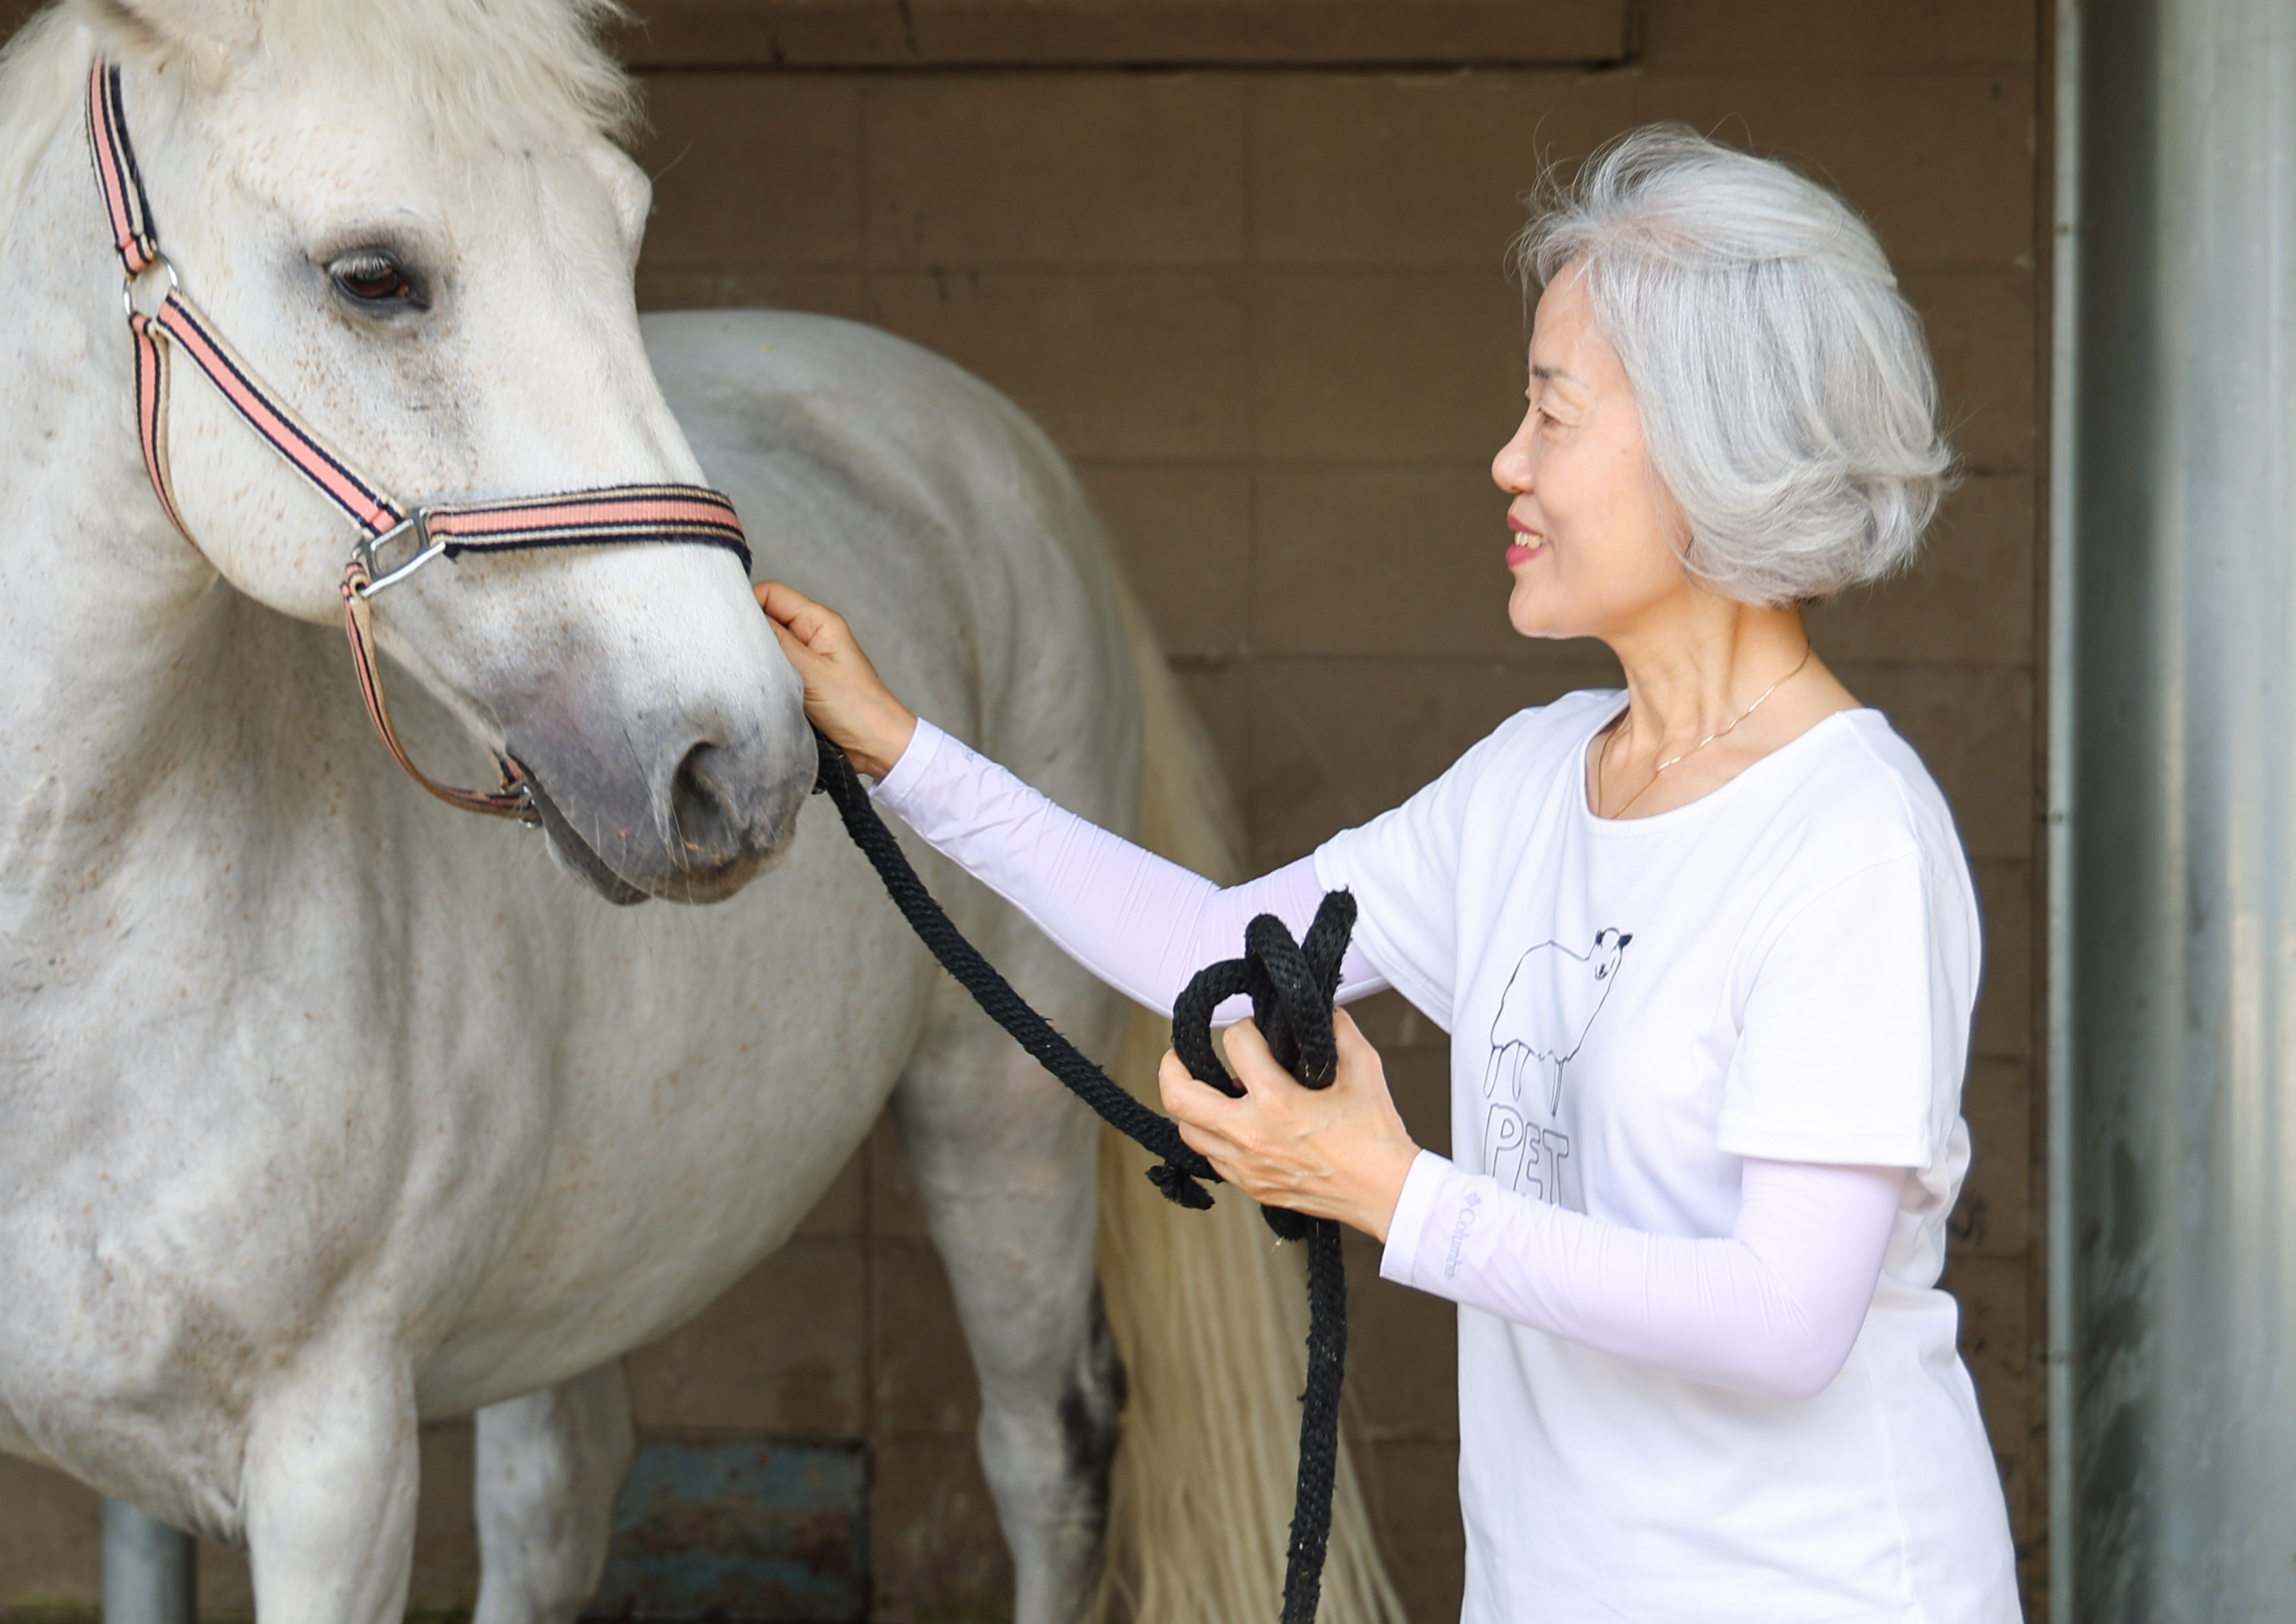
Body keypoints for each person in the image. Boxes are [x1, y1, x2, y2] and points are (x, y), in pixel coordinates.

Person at [757, 125, 2022, 1622]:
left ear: (1710, 440)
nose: (1508, 460)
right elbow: (1216, 946)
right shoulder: (1536, 778)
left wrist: (1386, 1190)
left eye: (1553, 413)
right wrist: (900, 748)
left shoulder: (1851, 837)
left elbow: (1783, 1319)